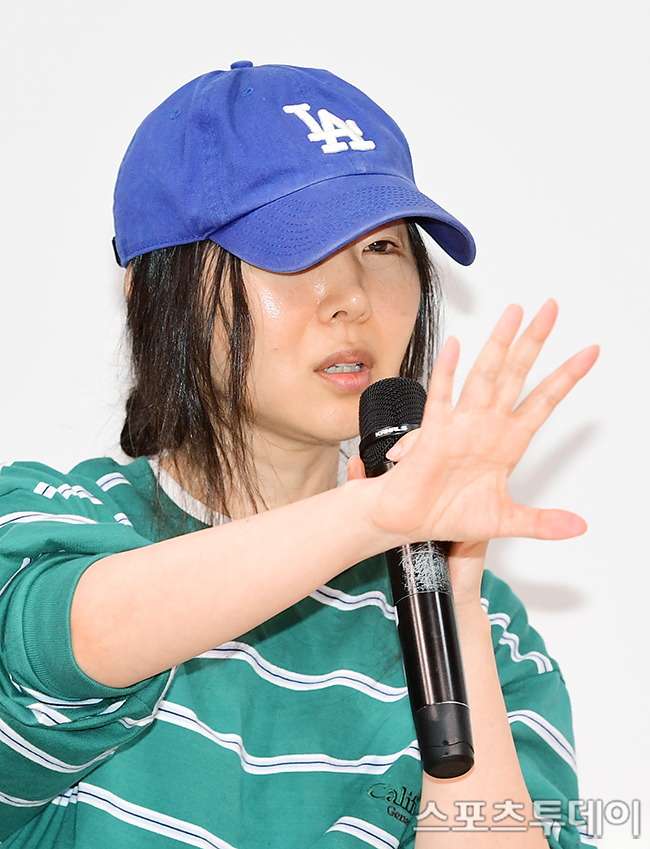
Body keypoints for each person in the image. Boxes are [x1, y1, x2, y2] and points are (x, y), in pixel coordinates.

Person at [0, 61, 598, 848]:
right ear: (155, 292)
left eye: (382, 245)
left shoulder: (489, 630)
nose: (352, 297)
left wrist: (452, 613)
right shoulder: (50, 524)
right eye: (292, 247)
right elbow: (68, 644)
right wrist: (375, 515)